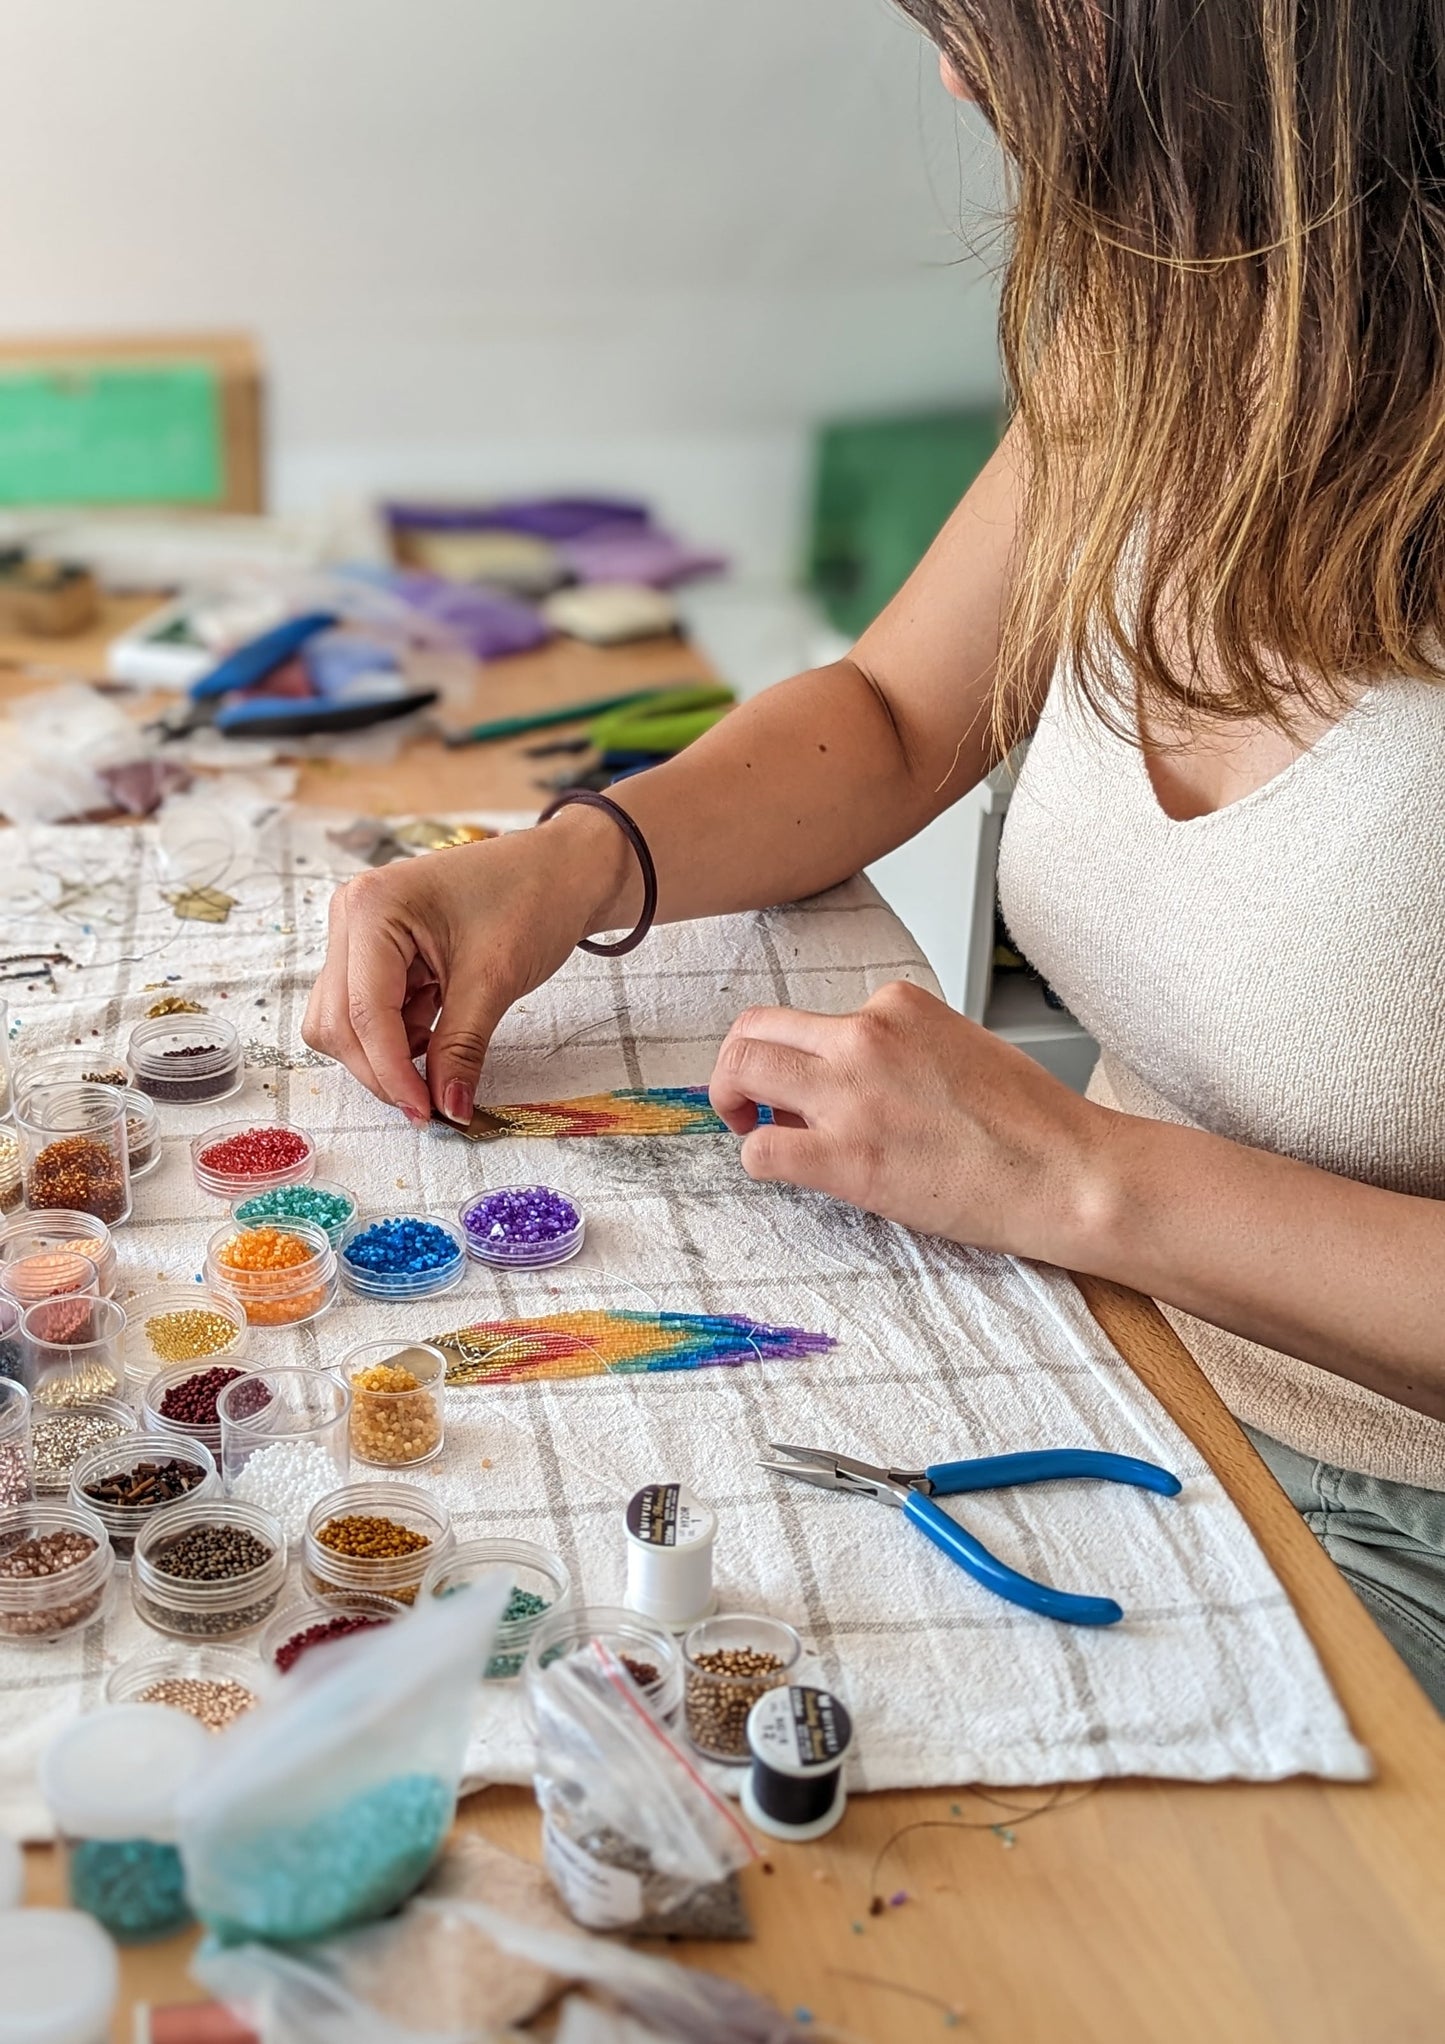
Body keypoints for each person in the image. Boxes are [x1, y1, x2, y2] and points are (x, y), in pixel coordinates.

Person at [305, 2, 1445, 1706]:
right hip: (1101, 1326)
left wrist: (1072, 1174)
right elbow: (900, 716)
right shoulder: (1177, 337)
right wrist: (565, 864)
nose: (949, 68)